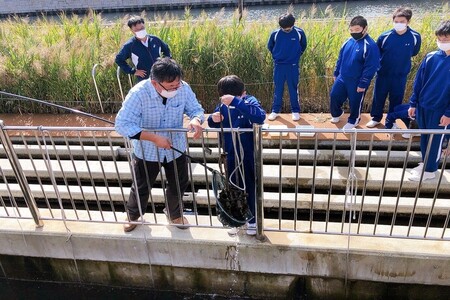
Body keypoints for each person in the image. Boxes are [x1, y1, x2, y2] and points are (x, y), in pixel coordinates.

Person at [115, 57, 204, 232]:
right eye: (171, 86)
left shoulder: (183, 88)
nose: (176, 89)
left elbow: (196, 109)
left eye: (177, 84)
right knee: (141, 185)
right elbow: (122, 124)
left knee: (179, 183)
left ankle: (175, 214)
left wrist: (196, 120)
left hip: (175, 147)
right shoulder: (138, 93)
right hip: (146, 150)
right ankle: (133, 216)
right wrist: (154, 138)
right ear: (155, 83)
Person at [207, 75, 266, 235]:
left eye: (233, 98)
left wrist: (236, 102)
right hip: (230, 155)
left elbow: (260, 117)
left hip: (249, 155)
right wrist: (212, 119)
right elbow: (212, 123)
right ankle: (235, 220)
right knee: (232, 187)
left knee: (250, 186)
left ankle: (252, 220)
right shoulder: (222, 106)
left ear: (243, 93)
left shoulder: (249, 101)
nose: (228, 101)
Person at [407, 20, 450, 181]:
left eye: (446, 39)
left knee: (436, 138)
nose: (442, 42)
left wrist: (449, 113)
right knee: (425, 136)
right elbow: (418, 82)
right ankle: (425, 162)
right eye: (440, 39)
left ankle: (430, 170)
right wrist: (413, 103)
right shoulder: (431, 57)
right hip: (423, 105)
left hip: (441, 109)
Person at [366, 7, 421, 128]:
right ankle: (376, 118)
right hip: (383, 74)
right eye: (396, 21)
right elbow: (377, 53)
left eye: (402, 21)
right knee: (378, 97)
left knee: (396, 99)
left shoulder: (415, 36)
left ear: (408, 22)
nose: (399, 24)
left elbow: (414, 52)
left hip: (400, 75)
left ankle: (392, 121)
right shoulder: (384, 36)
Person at [329, 16, 380, 130]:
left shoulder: (370, 45)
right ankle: (337, 113)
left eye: (357, 30)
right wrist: (336, 73)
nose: (353, 32)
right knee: (334, 95)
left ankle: (354, 120)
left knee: (355, 101)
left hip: (357, 80)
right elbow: (340, 58)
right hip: (342, 77)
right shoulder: (347, 42)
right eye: (351, 30)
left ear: (365, 28)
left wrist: (363, 83)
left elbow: (371, 67)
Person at [267, 13, 307, 122]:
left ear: (292, 25)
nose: (285, 29)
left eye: (287, 28)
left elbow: (303, 46)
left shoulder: (299, 32)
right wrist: (278, 56)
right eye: (283, 28)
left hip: (293, 66)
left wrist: (295, 56)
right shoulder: (275, 34)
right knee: (278, 89)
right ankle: (275, 111)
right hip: (279, 66)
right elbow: (270, 47)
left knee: (293, 89)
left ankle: (295, 111)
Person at [115, 16, 171, 83]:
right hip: (144, 80)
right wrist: (133, 71)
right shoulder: (130, 45)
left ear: (144, 26)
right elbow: (119, 59)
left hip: (161, 76)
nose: (140, 31)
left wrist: (166, 63)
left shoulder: (155, 40)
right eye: (137, 30)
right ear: (131, 30)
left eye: (142, 28)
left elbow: (166, 49)